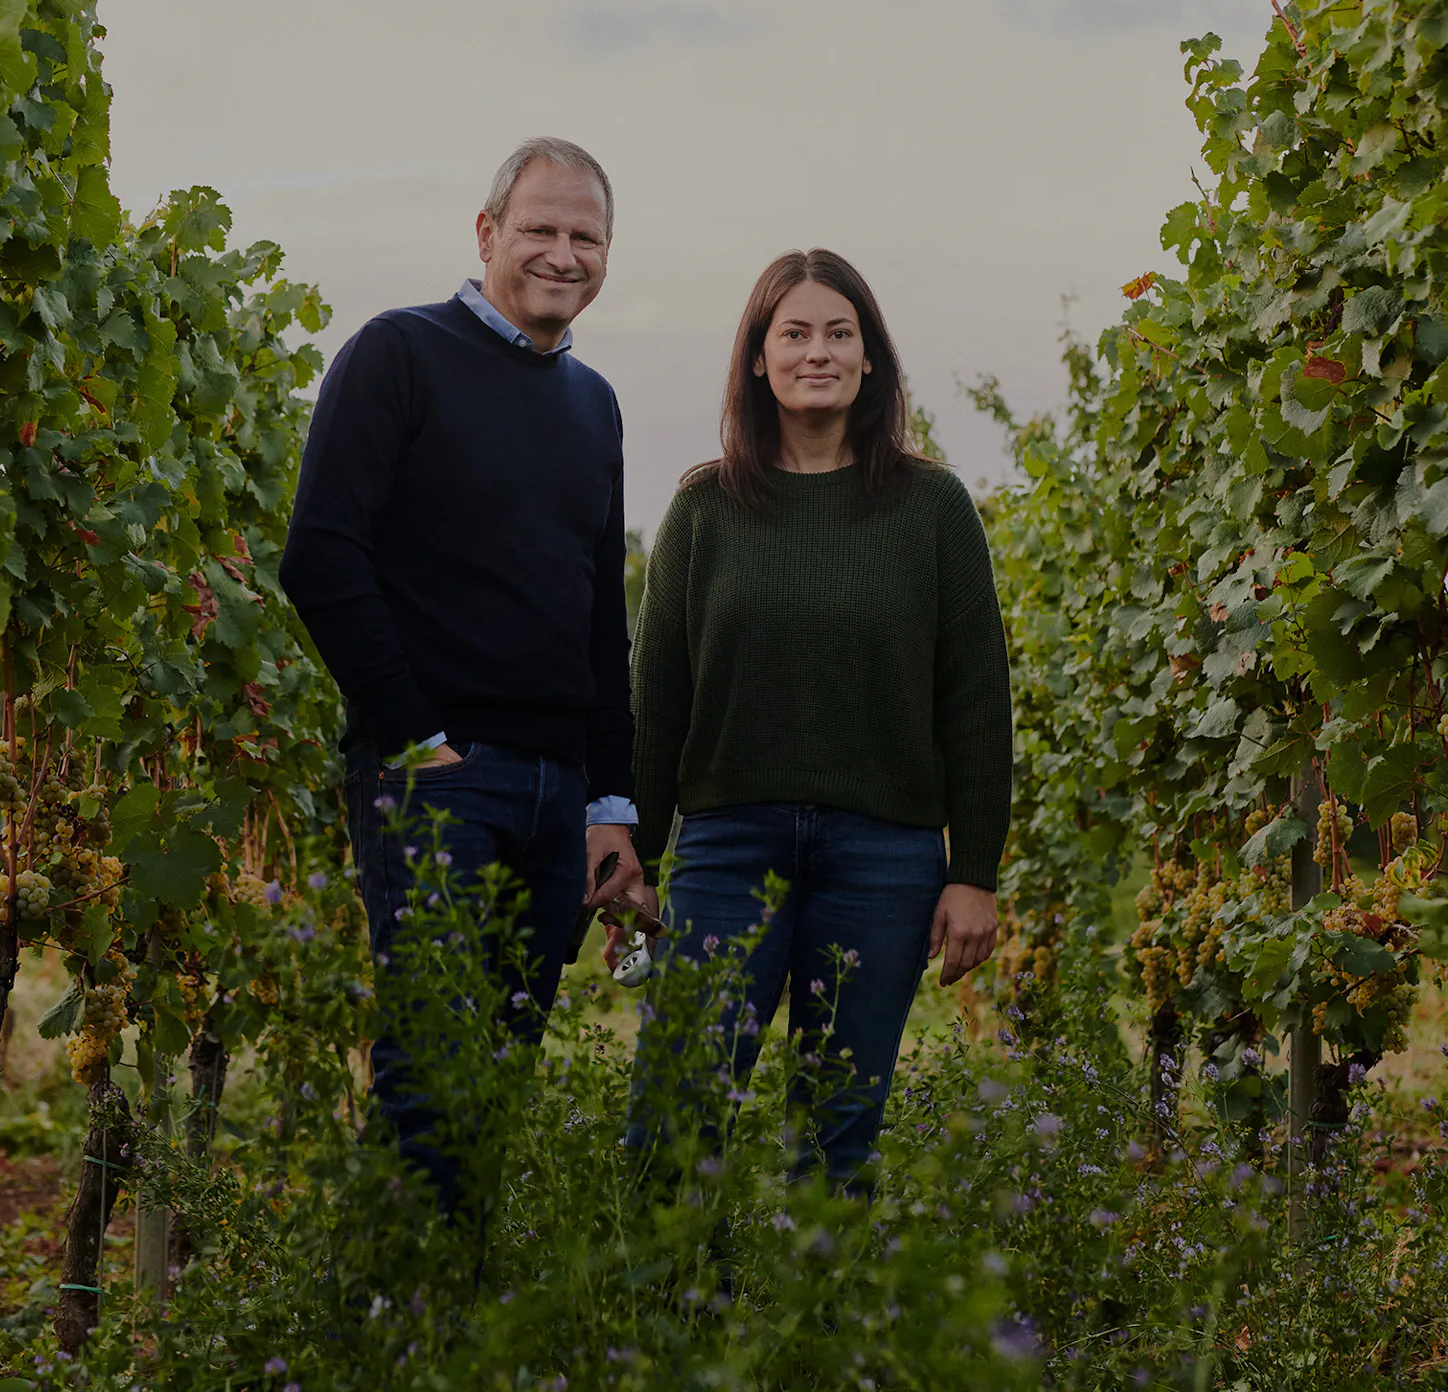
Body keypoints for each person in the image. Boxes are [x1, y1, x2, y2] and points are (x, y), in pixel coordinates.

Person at [280, 137, 654, 1219]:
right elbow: (321, 556)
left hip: (552, 799)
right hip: (439, 779)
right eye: (539, 228)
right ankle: (392, 1338)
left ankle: (448, 1329)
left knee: (497, 1077)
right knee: (430, 1081)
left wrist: (610, 802)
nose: (563, 253)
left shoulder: (595, 405)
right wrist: (411, 739)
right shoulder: (397, 354)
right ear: (487, 234)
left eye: (586, 236)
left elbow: (597, 622)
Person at [617, 248, 1013, 1192]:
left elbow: (976, 701)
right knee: (675, 1121)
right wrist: (635, 851)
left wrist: (975, 874)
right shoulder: (704, 509)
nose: (818, 352)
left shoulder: (933, 510)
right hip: (725, 850)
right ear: (758, 358)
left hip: (883, 858)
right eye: (793, 333)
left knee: (837, 1136)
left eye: (841, 333)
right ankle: (668, 1330)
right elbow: (658, 695)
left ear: (871, 359)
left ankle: (816, 1335)